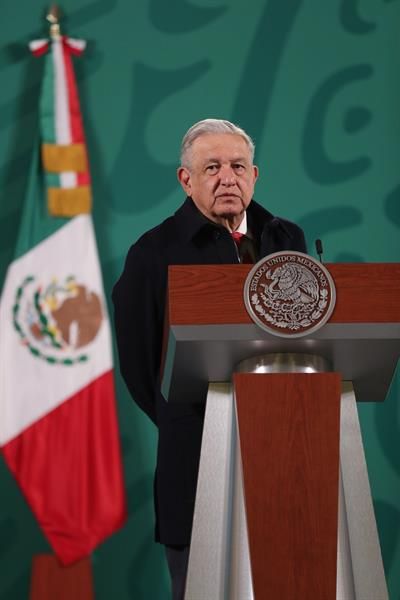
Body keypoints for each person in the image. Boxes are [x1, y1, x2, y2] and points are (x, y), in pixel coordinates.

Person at [112, 119, 307, 599]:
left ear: (255, 175)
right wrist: (184, 419)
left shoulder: (287, 239)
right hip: (194, 461)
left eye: (237, 166)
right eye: (212, 167)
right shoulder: (153, 253)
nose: (227, 178)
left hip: (286, 454)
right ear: (186, 180)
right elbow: (139, 368)